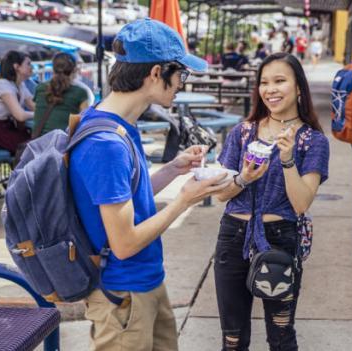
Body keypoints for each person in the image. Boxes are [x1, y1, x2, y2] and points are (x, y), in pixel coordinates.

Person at [69, 19, 231, 351]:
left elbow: (126, 201)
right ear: (156, 73)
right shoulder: (106, 144)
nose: (182, 84)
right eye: (181, 74)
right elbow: (124, 243)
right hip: (123, 296)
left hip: (144, 283)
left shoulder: (117, 123)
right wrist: (183, 201)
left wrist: (173, 169)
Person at [214, 52, 329, 350]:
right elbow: (220, 194)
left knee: (281, 336)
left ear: (298, 87)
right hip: (232, 238)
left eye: (280, 81)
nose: (270, 89)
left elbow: (301, 203)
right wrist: (245, 179)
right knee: (232, 337)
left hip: (280, 240)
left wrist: (289, 159)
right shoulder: (242, 133)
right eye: (264, 82)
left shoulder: (312, 140)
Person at [0, 50, 35, 154]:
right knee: (32, 146)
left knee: (35, 142)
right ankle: (22, 170)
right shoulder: (3, 85)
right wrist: (39, 114)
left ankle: (22, 169)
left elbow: (33, 105)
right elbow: (20, 115)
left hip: (3, 127)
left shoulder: (20, 85)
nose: (32, 67)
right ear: (16, 66)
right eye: (28, 64)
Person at [32, 52, 89, 136]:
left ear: (53, 69)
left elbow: (37, 114)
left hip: (39, 144)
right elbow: (85, 121)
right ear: (74, 70)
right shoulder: (80, 93)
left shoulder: (40, 88)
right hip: (64, 146)